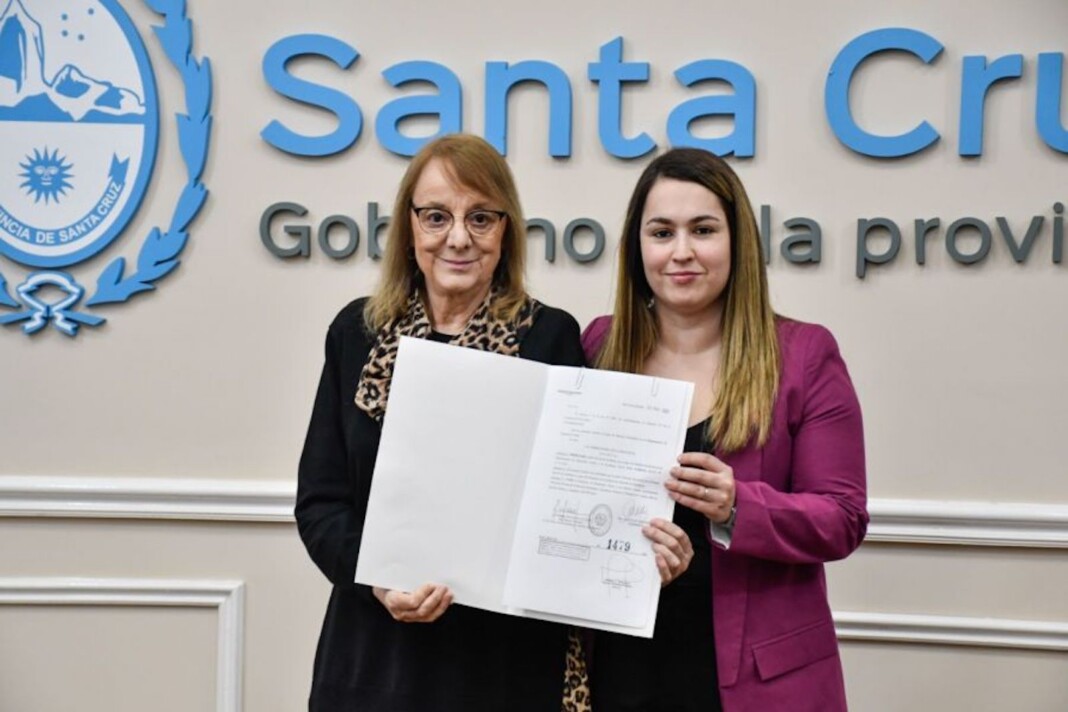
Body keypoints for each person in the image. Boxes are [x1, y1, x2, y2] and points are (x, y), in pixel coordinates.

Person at [295, 134, 597, 711]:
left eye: (480, 217)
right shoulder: (355, 335)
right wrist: (379, 579)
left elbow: (569, 507)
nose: (458, 237)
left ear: (505, 230)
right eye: (437, 217)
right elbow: (320, 503)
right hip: (374, 654)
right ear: (410, 227)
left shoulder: (550, 337)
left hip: (501, 665)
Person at [581, 148, 868, 711]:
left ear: (737, 241)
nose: (681, 252)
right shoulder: (599, 345)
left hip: (757, 681)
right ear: (637, 249)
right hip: (620, 665)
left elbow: (842, 517)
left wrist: (738, 505)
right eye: (661, 232)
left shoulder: (803, 355)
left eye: (704, 230)